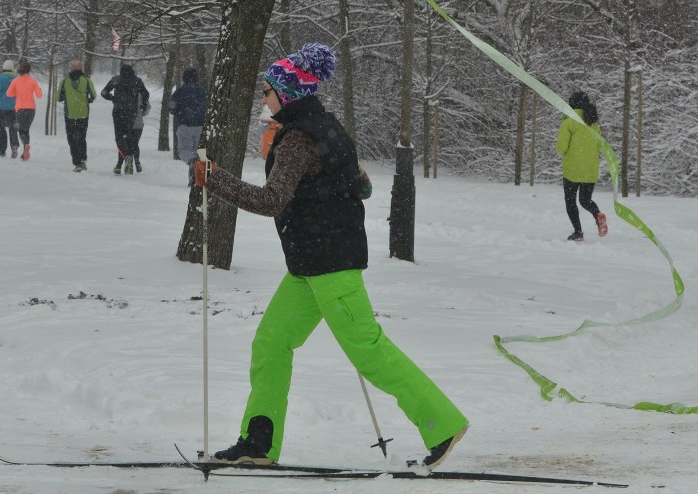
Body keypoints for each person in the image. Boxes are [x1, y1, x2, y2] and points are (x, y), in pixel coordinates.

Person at [192, 43, 468, 470]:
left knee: (369, 351)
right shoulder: (328, 128)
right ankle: (259, 443)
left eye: (267, 91)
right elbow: (363, 187)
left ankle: (442, 423)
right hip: (308, 266)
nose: (263, 99)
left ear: (287, 94)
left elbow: (271, 201)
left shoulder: (299, 139)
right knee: (271, 342)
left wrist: (215, 180)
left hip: (331, 266)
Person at [556, 91, 608, 241]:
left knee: (570, 201)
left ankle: (578, 232)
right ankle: (597, 214)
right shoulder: (593, 123)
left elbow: (561, 147)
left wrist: (562, 151)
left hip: (572, 170)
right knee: (585, 200)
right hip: (590, 170)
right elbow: (600, 146)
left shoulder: (569, 122)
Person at [101, 64, 149, 175]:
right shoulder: (137, 81)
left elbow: (103, 92)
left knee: (119, 137)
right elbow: (146, 94)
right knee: (130, 137)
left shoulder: (116, 80)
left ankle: (123, 159)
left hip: (118, 112)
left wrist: (113, 98)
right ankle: (129, 158)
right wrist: (144, 105)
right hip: (131, 112)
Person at [57, 59, 97, 172]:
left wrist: (67, 98)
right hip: (83, 113)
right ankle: (83, 159)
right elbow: (93, 95)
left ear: (70, 69)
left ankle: (77, 162)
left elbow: (58, 97)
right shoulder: (86, 80)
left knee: (71, 138)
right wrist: (88, 100)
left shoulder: (64, 81)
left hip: (69, 114)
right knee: (81, 137)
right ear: (81, 69)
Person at [169, 67, 207, 184]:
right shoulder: (203, 92)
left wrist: (180, 113)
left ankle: (192, 163)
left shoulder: (179, 92)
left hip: (184, 125)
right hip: (200, 126)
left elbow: (171, 107)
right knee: (199, 151)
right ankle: (197, 177)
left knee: (183, 150)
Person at [5, 62, 43, 161]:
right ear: (29, 70)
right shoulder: (33, 81)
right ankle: (25, 153)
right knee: (26, 130)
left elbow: (8, 93)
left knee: (21, 130)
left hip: (20, 108)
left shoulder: (16, 81)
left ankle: (26, 145)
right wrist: (38, 89)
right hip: (31, 109)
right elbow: (39, 95)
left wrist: (16, 93)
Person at [115, 90, 150, 173]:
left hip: (125, 123)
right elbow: (147, 107)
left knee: (124, 143)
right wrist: (140, 114)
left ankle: (121, 164)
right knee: (134, 143)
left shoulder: (123, 93)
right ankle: (137, 162)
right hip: (138, 123)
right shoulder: (141, 94)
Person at [0, 60, 19, 158]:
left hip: (1, 107)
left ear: (4, 68)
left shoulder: (1, 78)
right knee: (13, 127)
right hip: (13, 107)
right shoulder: (16, 79)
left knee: (2, 128)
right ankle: (14, 145)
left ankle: (1, 150)